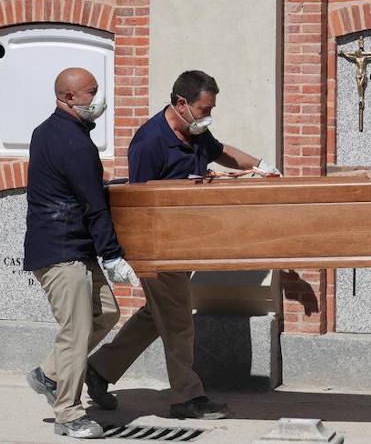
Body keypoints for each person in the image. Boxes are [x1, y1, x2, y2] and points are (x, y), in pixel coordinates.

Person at [86, 70, 279, 419]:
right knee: (178, 322)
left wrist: (259, 165)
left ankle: (98, 370)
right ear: (181, 103)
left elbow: (221, 153)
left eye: (210, 110)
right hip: (158, 248)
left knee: (154, 316)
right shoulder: (149, 141)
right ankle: (186, 397)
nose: (208, 116)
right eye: (204, 109)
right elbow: (140, 203)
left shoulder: (194, 133)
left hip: (184, 244)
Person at [24, 67, 141, 440]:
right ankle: (69, 415)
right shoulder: (73, 142)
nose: (99, 98)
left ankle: (48, 374)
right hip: (62, 250)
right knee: (76, 331)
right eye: (92, 92)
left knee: (106, 312)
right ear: (69, 97)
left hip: (72, 246)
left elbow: (79, 190)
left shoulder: (50, 132)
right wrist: (113, 255)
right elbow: (93, 205)